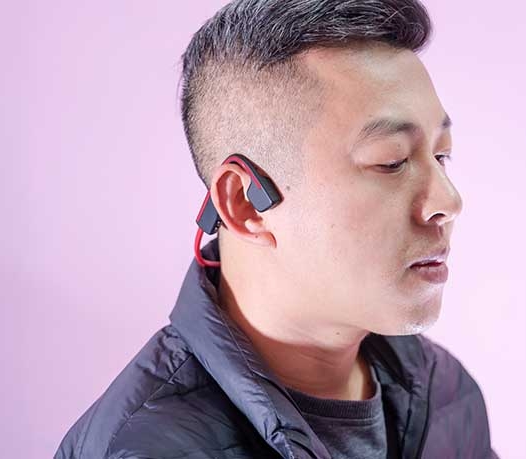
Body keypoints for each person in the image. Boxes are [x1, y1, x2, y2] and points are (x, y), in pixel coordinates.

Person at [56, 0, 498, 457]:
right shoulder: (143, 449)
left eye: (441, 156)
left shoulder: (446, 395)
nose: (448, 202)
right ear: (246, 204)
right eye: (392, 161)